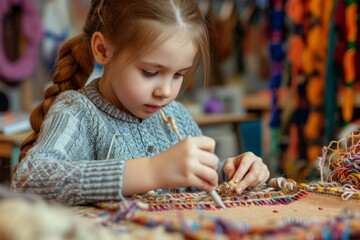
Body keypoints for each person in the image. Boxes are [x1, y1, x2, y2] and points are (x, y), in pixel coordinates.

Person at [11, 0, 270, 206]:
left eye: (179, 74)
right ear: (103, 50)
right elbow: (29, 181)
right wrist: (150, 171)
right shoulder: (77, 112)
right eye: (150, 72)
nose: (166, 91)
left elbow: (202, 179)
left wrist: (234, 173)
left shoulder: (176, 116)